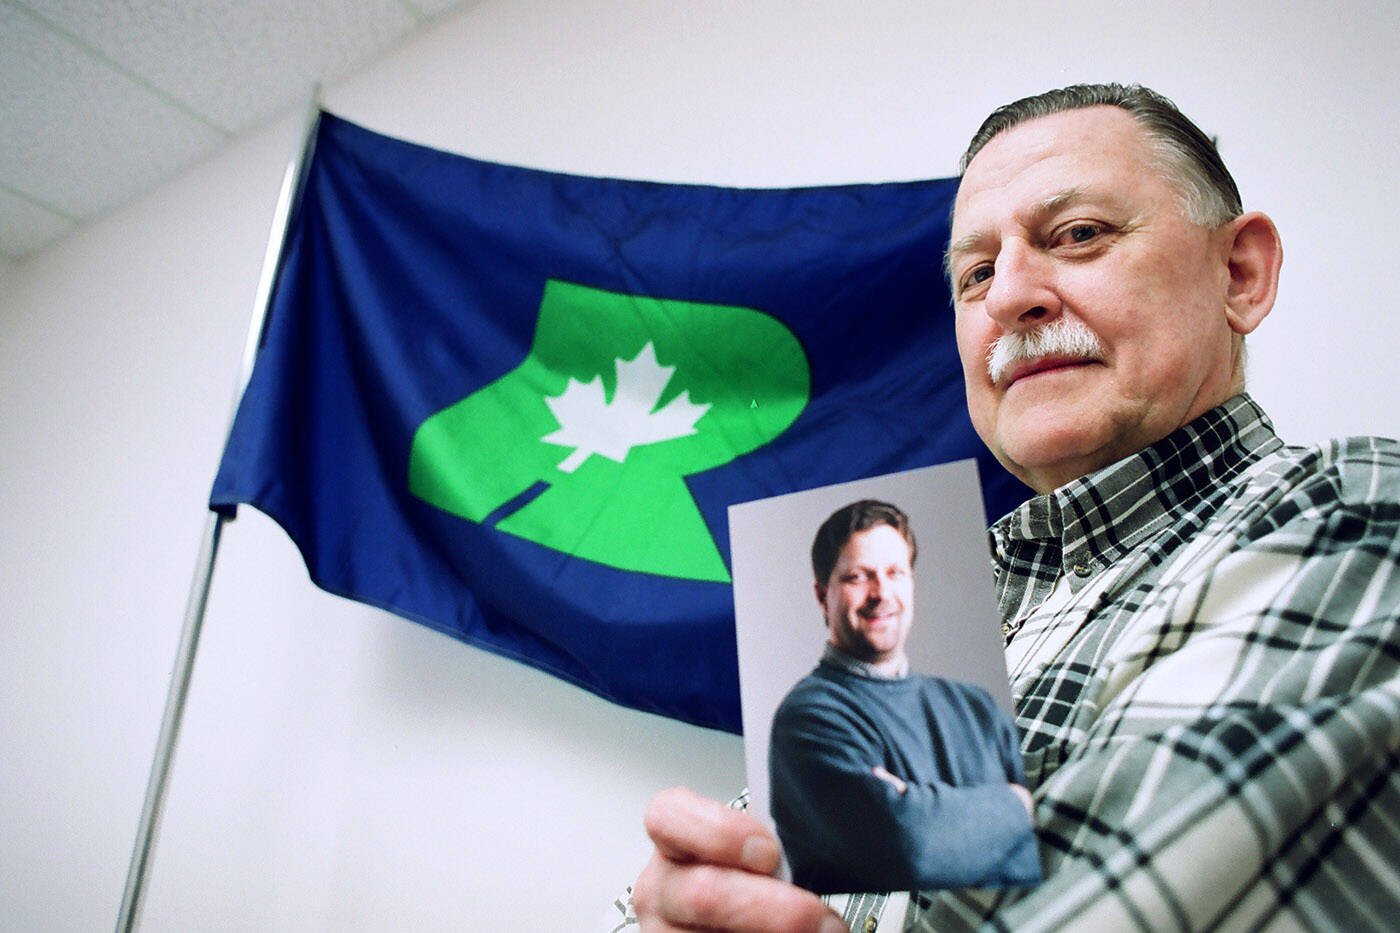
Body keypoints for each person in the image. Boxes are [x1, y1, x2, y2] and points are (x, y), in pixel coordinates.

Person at [627, 82, 1400, 932]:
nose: (1007, 299)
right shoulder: (914, 600)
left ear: (1240, 273)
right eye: (976, 273)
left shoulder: (1354, 508)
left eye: (1078, 235)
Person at [768, 499, 1039, 895]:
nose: (882, 592)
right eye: (858, 577)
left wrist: (922, 809)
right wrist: (1013, 806)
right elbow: (908, 847)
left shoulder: (976, 707)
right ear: (822, 594)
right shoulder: (808, 717)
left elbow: (1031, 859)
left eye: (895, 573)